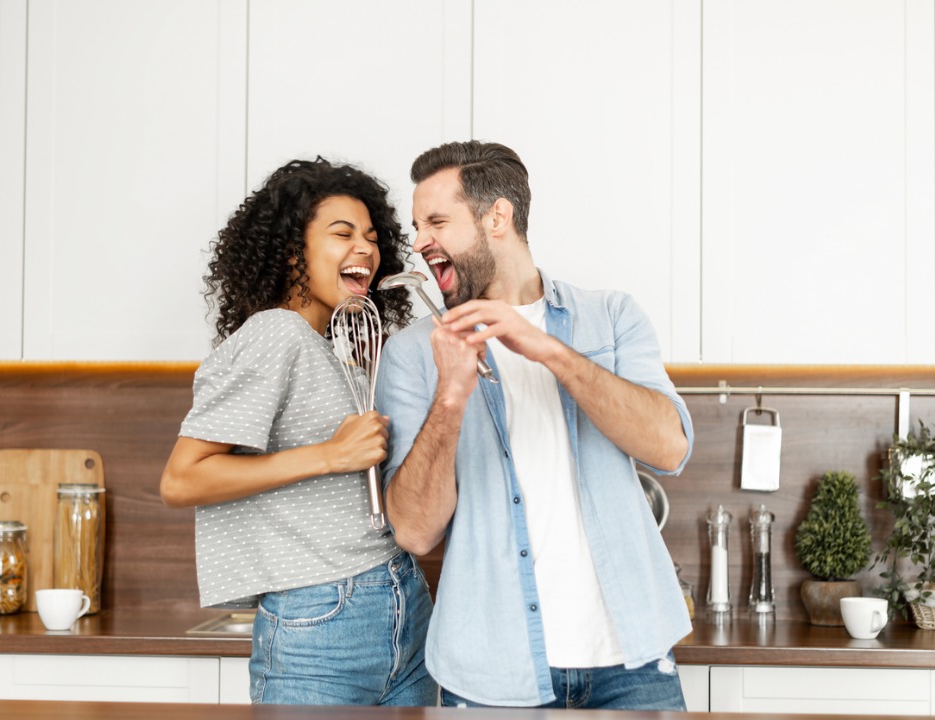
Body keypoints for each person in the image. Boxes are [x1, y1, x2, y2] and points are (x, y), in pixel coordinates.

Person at [375, 140, 694, 710]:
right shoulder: (413, 351)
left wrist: (551, 352)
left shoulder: (610, 316)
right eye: (417, 224)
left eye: (438, 221)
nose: (420, 241)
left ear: (497, 216)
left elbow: (669, 446)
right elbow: (415, 531)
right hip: (492, 672)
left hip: (633, 661)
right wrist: (449, 396)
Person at [160, 157, 436, 706]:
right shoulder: (275, 332)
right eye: (342, 234)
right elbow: (182, 478)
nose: (366, 248)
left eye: (372, 237)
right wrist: (330, 455)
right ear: (293, 253)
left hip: (402, 600)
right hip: (321, 617)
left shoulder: (342, 348)